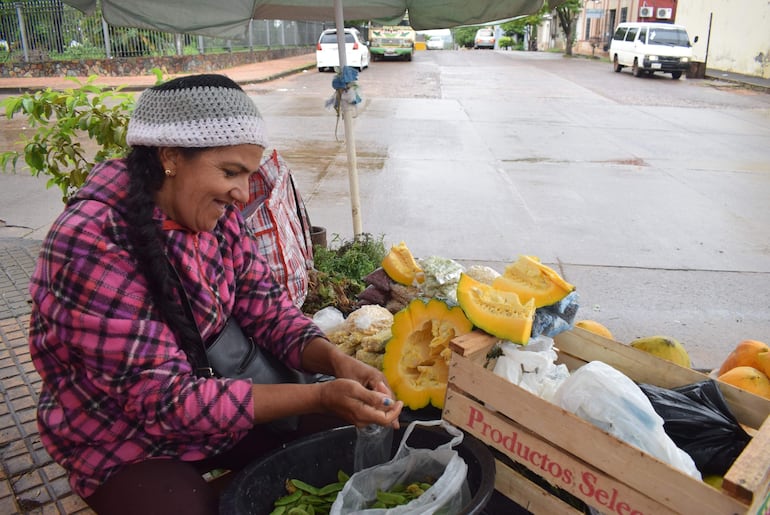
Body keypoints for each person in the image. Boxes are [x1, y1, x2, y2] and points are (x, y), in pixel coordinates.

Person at [28, 74, 403, 514]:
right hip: (123, 437)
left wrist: (336, 360)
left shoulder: (219, 219)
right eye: (230, 172)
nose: (242, 194)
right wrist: (319, 393)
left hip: (217, 405)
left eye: (248, 174)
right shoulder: (90, 244)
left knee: (337, 435)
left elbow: (269, 312)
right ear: (169, 157)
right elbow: (165, 402)